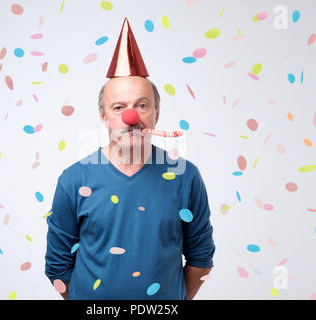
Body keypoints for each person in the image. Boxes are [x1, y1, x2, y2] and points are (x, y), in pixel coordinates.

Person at [45, 17, 215, 300]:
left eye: (142, 105)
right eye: (119, 107)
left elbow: (201, 255)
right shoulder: (73, 180)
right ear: (103, 116)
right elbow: (57, 264)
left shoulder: (186, 176)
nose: (131, 117)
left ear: (156, 113)